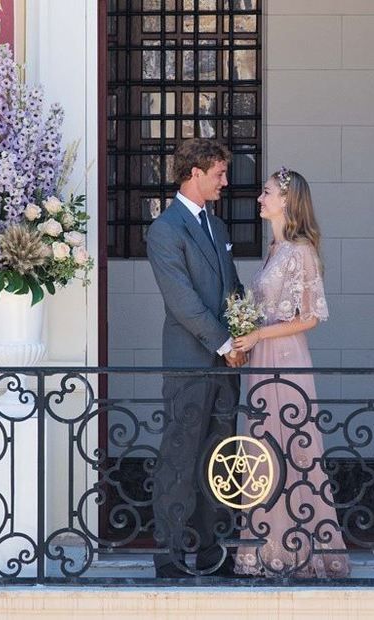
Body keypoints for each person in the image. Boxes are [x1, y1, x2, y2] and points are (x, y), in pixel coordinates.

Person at [233, 168, 350, 578]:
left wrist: (257, 333)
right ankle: (268, 546)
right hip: (263, 353)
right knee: (263, 447)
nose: (260, 198)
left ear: (286, 200)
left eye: (266, 193)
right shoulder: (274, 249)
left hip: (284, 356)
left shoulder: (300, 251)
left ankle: (299, 550)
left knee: (290, 448)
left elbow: (311, 317)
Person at [147, 138, 246, 578]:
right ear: (195, 174)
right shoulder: (165, 229)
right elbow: (182, 301)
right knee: (180, 453)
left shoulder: (218, 227)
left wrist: (247, 331)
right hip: (191, 360)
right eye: (220, 174)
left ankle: (211, 549)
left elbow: (233, 287)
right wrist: (224, 342)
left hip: (227, 362)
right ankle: (168, 552)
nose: (225, 181)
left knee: (218, 454)